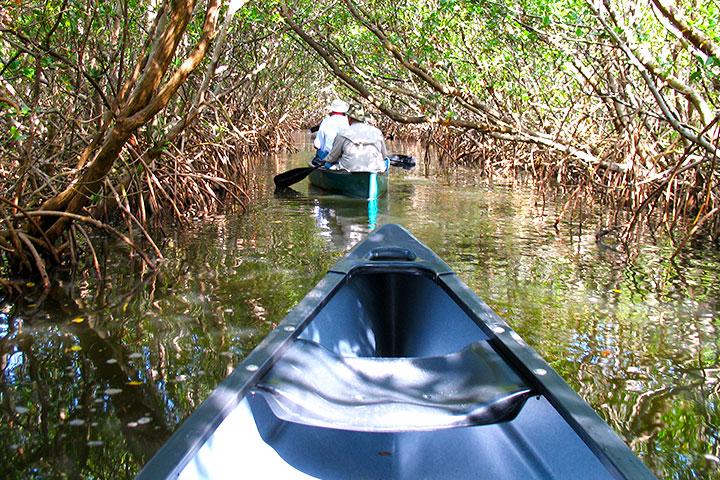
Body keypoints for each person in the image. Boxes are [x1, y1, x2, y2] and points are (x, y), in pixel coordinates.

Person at [323, 103, 388, 172]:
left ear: (349, 118)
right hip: (375, 168)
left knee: (328, 164)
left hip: (350, 169)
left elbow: (332, 157)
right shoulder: (377, 132)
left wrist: (324, 160)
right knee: (387, 161)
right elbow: (384, 156)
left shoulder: (342, 133)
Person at [312, 99, 350, 165]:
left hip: (327, 156)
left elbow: (317, 145)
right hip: (346, 158)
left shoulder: (326, 121)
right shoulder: (349, 121)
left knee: (319, 153)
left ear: (332, 110)